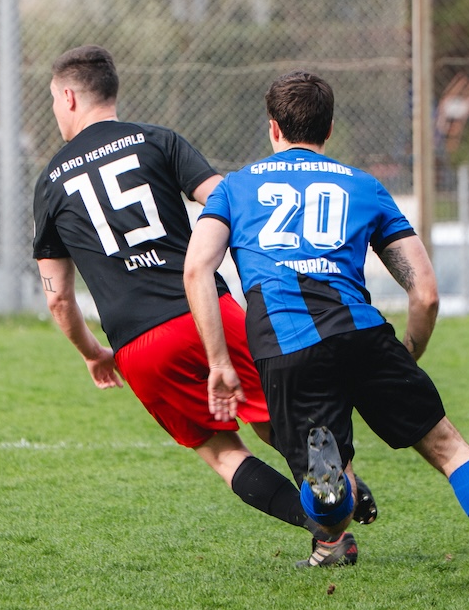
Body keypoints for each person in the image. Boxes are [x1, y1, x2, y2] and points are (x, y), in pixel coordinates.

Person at [183, 68, 469, 589]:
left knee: (331, 507)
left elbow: (197, 270)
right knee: (449, 446)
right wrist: (406, 352)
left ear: (273, 128)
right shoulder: (363, 185)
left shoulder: (234, 188)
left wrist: (220, 362)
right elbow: (425, 292)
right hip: (363, 334)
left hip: (287, 344)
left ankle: (333, 488)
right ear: (329, 128)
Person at [32, 44, 376, 565]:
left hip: (138, 344)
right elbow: (227, 198)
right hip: (207, 311)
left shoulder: (51, 182)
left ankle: (328, 537)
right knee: (279, 413)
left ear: (68, 96)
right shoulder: (157, 141)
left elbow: (58, 298)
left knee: (221, 452)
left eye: (54, 101)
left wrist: (92, 352)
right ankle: (340, 485)